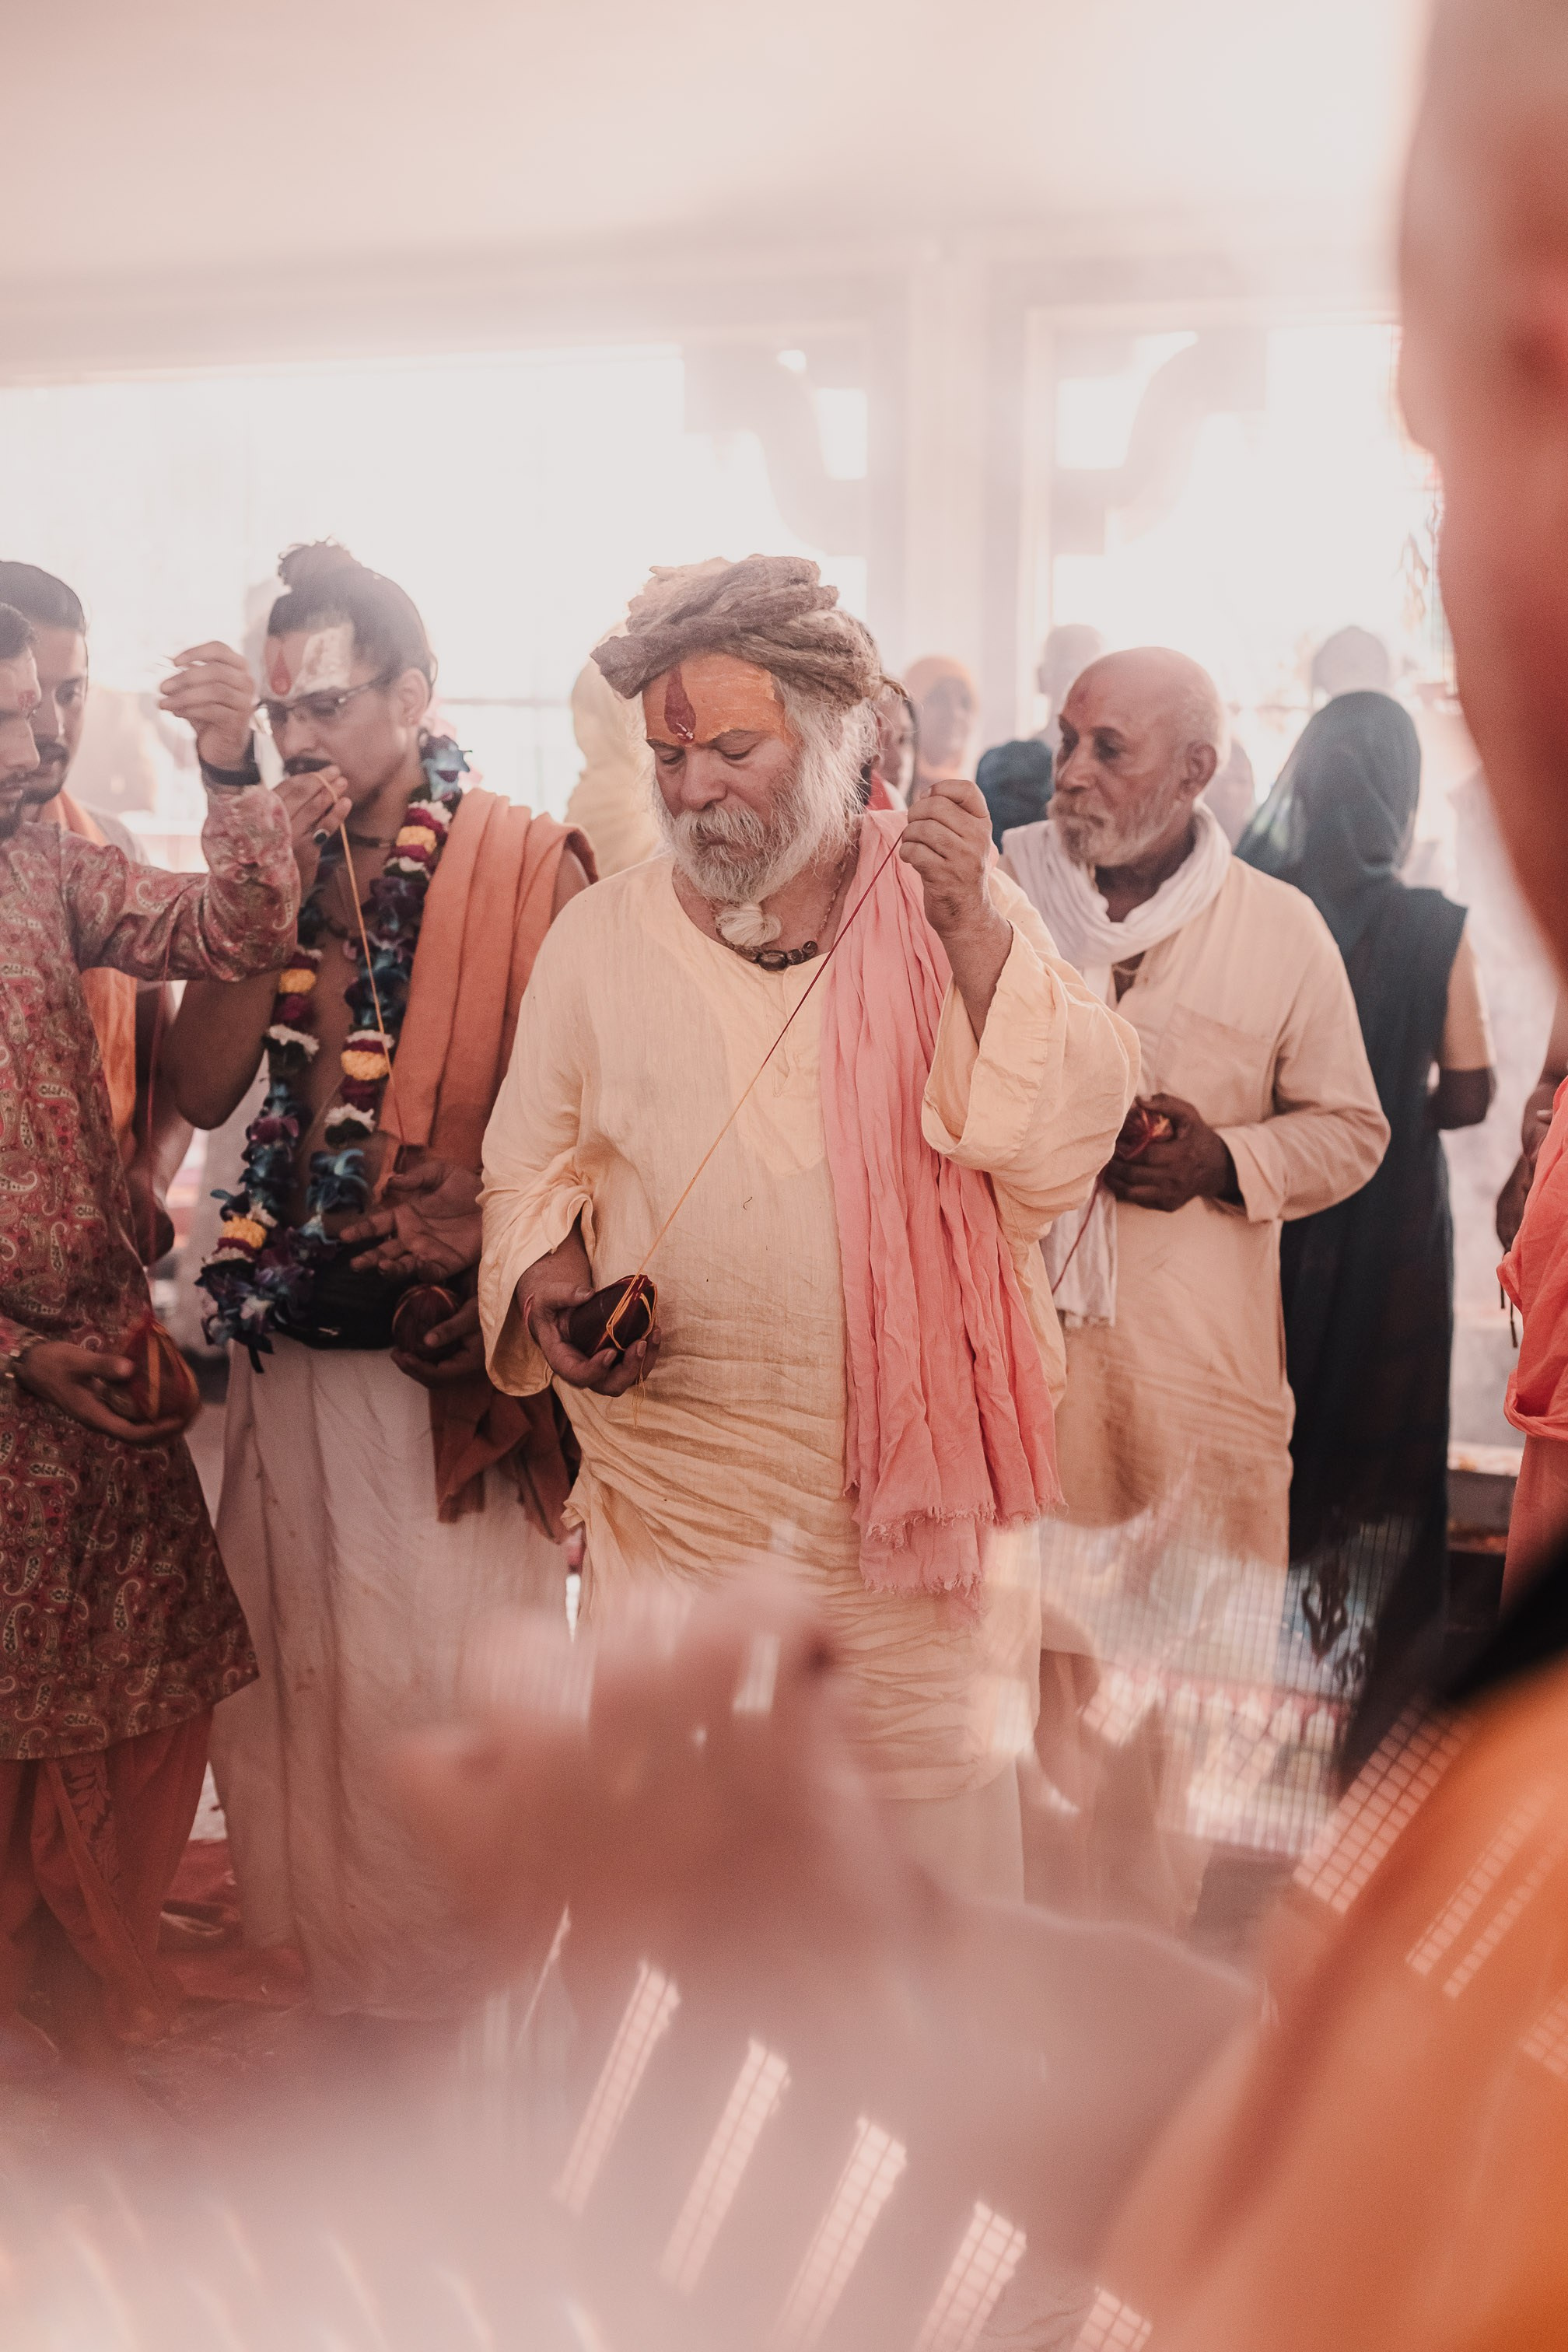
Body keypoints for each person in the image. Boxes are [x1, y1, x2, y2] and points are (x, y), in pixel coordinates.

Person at [477, 555, 1138, 1902]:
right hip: (680, 1518)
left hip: (902, 1549)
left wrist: (970, 939)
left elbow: (1062, 1140)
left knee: (914, 1888)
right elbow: (529, 1167)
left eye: (733, 747)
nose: (694, 787)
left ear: (836, 740)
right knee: (689, 1880)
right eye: (671, 755)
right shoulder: (598, 937)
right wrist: (555, 1295)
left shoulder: (953, 898)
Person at [161, 541, 593, 2021]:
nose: (303, 741)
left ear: (418, 694)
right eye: (284, 715)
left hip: (440, 1379)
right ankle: (342, 1977)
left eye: (332, 707)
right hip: (284, 1357)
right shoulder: (276, 859)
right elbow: (205, 1084)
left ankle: (464, 2012)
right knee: (291, 1684)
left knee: (438, 1691)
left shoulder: (532, 866)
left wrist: (488, 1206)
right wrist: (256, 870)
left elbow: (604, 1117)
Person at [0, 601, 326, 2078]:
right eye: (8, 719)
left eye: (45, 707)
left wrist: (228, 760)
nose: (43, 738)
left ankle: (86, 1965)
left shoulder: (42, 861)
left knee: (146, 1667)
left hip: (98, 1348)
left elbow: (234, 927)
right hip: (15, 1371)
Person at [1002, 647, 1389, 1568]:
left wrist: (1221, 1161)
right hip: (1018, 1374)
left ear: (1195, 772)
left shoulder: (1280, 927)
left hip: (1194, 1381)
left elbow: (1353, 1130)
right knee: (1019, 1684)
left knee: (1189, 1690)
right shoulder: (997, 898)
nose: (1070, 774)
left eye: (1108, 749)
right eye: (1067, 741)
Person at [1238, 691, 1494, 1682]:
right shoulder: (1434, 927)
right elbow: (1470, 1094)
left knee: (1275, 1414)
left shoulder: (1254, 903)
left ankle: (1249, 1662)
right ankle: (1359, 1675)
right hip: (1389, 1221)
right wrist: (1388, 1101)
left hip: (1265, 1197)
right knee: (1379, 1448)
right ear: (1403, 790)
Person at [0, 559, 191, 1265]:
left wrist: (152, 1178)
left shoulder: (110, 847)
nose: (51, 726)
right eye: (23, 699)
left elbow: (160, 1062)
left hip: (97, 1274)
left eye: (71, 691)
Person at [975, 623, 1107, 849]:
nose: (1084, 687)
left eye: (1099, 675)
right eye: (1070, 671)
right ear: (1042, 678)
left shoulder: (1116, 769)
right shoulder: (1006, 767)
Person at [904, 653, 979, 801]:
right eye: (939, 699)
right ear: (910, 708)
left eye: (964, 702)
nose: (955, 714)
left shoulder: (973, 796)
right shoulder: (887, 792)